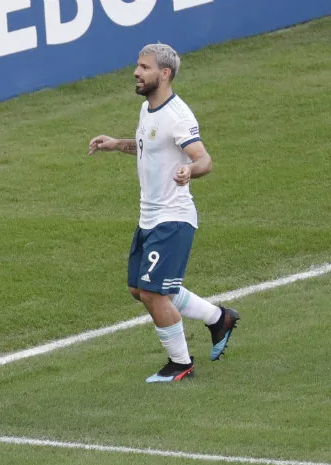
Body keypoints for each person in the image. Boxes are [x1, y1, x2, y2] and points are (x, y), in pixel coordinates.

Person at [88, 43, 239, 383]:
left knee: (154, 292)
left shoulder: (178, 116)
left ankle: (180, 364)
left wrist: (190, 172)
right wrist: (117, 144)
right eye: (137, 65)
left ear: (165, 74)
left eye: (144, 67)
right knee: (139, 289)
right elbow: (149, 148)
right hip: (149, 218)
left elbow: (203, 159)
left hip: (173, 218)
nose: (136, 72)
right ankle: (218, 318)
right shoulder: (149, 110)